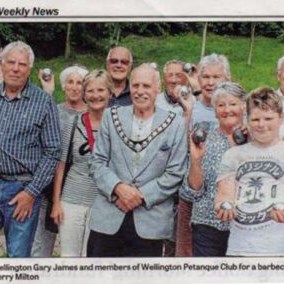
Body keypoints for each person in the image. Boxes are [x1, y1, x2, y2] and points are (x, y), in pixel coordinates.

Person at [87, 63, 187, 257]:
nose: (140, 92)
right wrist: (118, 188)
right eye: (135, 86)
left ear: (157, 89)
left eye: (146, 86)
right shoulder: (111, 115)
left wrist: (139, 196)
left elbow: (175, 173)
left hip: (150, 223)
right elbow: (96, 161)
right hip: (108, 217)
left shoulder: (175, 122)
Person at [0, 40, 61, 257]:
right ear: (1, 65)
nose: (15, 68)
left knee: (18, 256)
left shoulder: (44, 102)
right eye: (11, 62)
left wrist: (31, 192)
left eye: (22, 64)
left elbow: (53, 151)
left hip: (22, 189)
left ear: (30, 70)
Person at [180, 81, 246, 256]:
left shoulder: (254, 138)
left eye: (233, 104)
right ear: (215, 110)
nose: (227, 109)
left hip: (244, 227)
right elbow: (191, 192)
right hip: (206, 226)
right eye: (221, 105)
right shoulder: (204, 137)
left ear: (243, 107)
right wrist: (195, 161)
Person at [215, 87, 284, 256]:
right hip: (239, 249)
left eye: (268, 118)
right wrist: (224, 206)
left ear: (281, 118)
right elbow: (224, 192)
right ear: (246, 120)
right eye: (255, 119)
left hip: (278, 250)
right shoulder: (233, 155)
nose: (262, 125)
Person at [51, 69, 113, 257]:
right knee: (69, 256)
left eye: (101, 90)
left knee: (91, 257)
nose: (95, 96)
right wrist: (56, 203)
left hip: (102, 201)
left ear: (109, 93)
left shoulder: (117, 124)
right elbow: (61, 165)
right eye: (90, 91)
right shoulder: (74, 122)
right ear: (84, 94)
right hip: (72, 198)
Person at [176, 53, 231, 256]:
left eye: (216, 77)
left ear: (227, 78)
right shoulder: (189, 107)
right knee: (186, 253)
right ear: (198, 79)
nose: (210, 83)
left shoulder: (233, 109)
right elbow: (179, 148)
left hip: (224, 193)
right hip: (192, 191)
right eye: (205, 77)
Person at [31, 65, 89, 257]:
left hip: (77, 186)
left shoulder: (92, 114)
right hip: (49, 185)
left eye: (79, 82)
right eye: (70, 82)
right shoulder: (53, 110)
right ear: (63, 87)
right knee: (41, 245)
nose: (74, 87)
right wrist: (47, 92)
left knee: (74, 249)